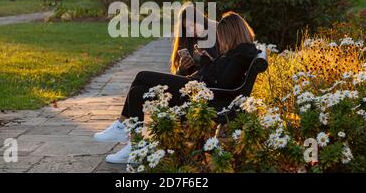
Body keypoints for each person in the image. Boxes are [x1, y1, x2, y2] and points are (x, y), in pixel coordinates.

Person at [93, 11, 260, 164]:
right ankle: (135, 147)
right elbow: (220, 78)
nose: (222, 41)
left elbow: (221, 83)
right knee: (138, 92)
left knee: (142, 76)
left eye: (223, 36)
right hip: (201, 89)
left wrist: (206, 62)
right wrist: (207, 61)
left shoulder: (240, 54)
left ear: (232, 33)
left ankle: (121, 125)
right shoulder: (240, 51)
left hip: (202, 95)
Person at [170, 4, 218, 77]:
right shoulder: (187, 39)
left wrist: (208, 59)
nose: (191, 31)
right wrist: (181, 68)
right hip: (190, 83)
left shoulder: (215, 30)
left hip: (209, 82)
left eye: (192, 25)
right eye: (187, 28)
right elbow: (177, 77)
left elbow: (222, 67)